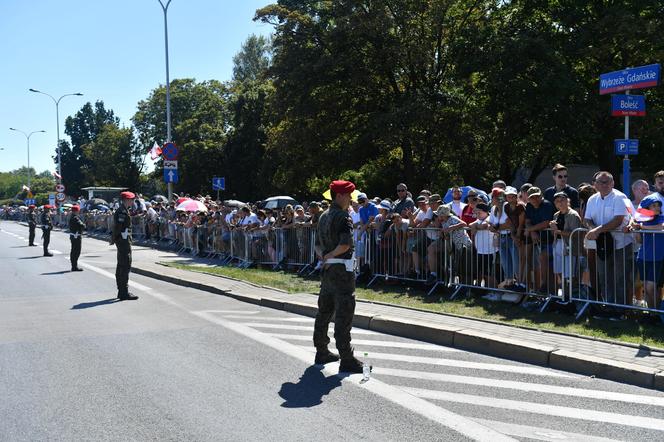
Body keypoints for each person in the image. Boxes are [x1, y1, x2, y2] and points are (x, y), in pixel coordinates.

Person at [313, 180, 365, 373]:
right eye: (349, 195)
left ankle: (321, 350)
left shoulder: (323, 216)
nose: (351, 199)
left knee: (324, 311)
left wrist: (325, 256)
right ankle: (346, 357)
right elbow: (345, 244)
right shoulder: (343, 217)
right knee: (344, 313)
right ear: (340, 195)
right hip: (342, 271)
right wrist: (332, 255)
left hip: (327, 271)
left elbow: (317, 245)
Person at [584, 172, 633, 306]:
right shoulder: (592, 199)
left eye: (607, 182)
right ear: (596, 184)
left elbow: (618, 220)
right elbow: (587, 219)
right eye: (601, 182)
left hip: (621, 244)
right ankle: (608, 306)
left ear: (613, 183)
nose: (604, 185)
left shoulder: (619, 197)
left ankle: (621, 309)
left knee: (620, 278)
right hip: (602, 244)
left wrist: (597, 230)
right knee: (604, 277)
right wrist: (592, 228)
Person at [111, 191, 138, 300]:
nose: (133, 201)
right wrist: (115, 238)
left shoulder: (124, 210)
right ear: (126, 200)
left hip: (123, 240)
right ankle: (123, 292)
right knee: (125, 265)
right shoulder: (122, 211)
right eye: (131, 199)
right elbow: (118, 227)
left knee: (122, 265)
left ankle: (122, 290)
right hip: (123, 241)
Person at [69, 205, 85, 271]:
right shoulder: (75, 218)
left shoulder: (72, 217)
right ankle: (74, 266)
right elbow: (82, 225)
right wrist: (84, 225)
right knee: (76, 251)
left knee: (73, 251)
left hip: (73, 236)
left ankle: (74, 266)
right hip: (76, 236)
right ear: (76, 211)